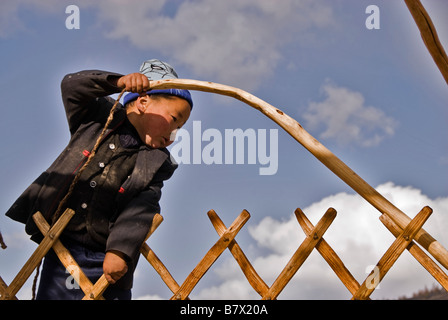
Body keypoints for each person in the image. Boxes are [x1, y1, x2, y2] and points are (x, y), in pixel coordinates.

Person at [5, 59, 193, 299]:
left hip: (109, 263)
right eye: (175, 119)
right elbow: (71, 86)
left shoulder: (156, 162)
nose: (174, 135)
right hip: (61, 249)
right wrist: (118, 82)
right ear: (144, 102)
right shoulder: (96, 118)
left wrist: (120, 251)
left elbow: (141, 208)